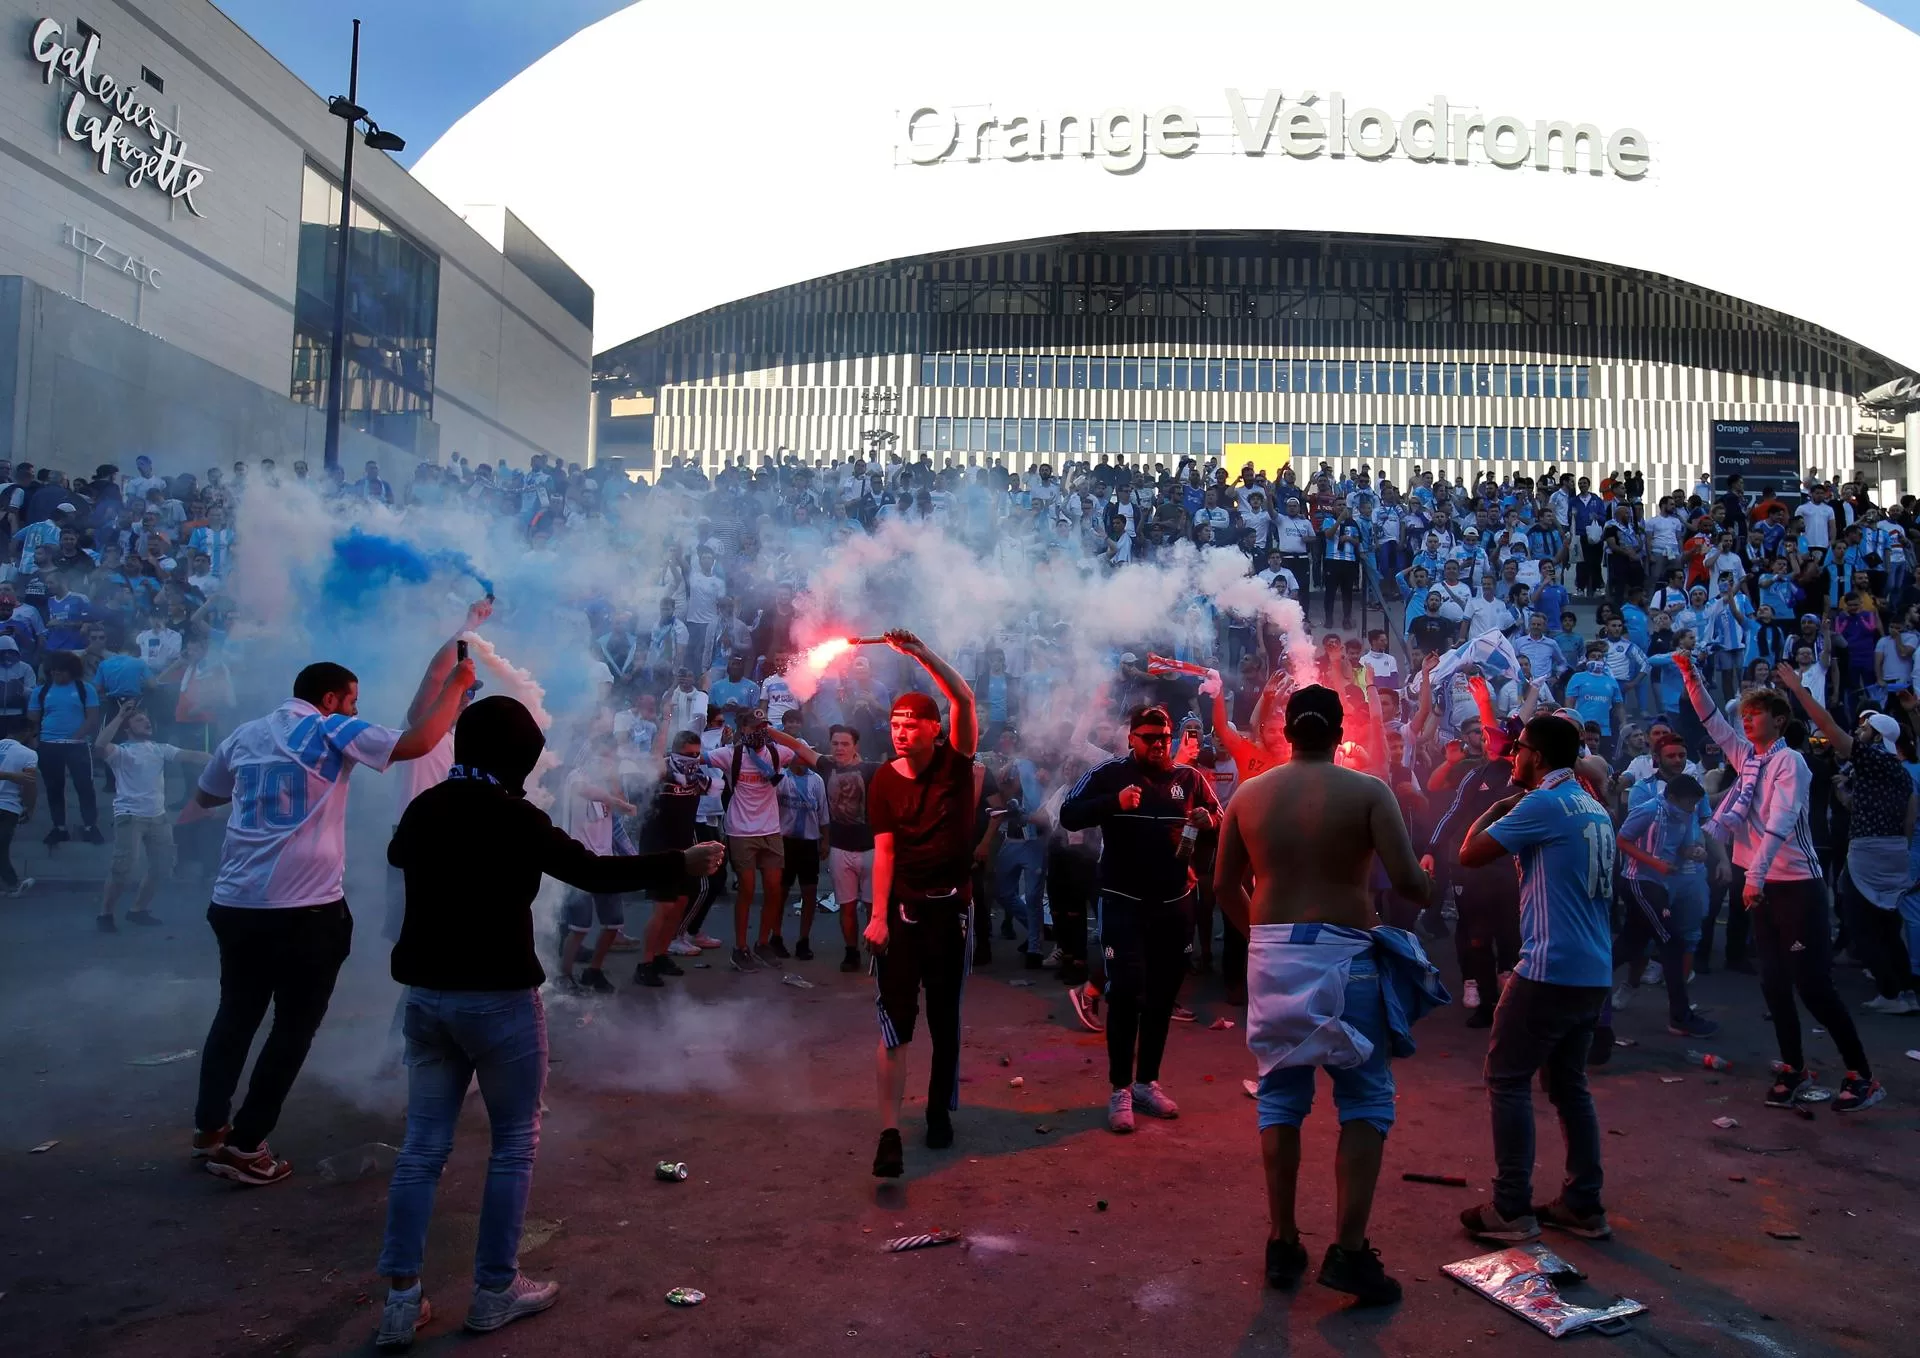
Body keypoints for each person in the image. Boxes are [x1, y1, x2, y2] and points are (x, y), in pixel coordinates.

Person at [375, 696, 725, 1348]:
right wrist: (682, 862)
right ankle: (494, 1289)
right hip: (498, 999)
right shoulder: (515, 818)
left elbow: (398, 855)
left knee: (422, 1150)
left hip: (427, 999)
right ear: (518, 756)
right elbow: (590, 870)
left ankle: (400, 1300)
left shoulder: (427, 809)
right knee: (512, 1142)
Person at [188, 654, 475, 1187]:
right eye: (353, 700)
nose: (356, 708)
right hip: (304, 911)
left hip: (234, 903)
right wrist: (458, 685)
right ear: (331, 700)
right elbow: (417, 742)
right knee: (292, 1030)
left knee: (235, 1017)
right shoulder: (330, 728)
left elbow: (208, 795)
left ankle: (210, 1129)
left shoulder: (245, 736)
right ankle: (246, 1146)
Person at [1214, 685, 1434, 1306]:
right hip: (1345, 955)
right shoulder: (1368, 792)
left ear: (1286, 733)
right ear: (1340, 734)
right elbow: (1411, 886)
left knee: (1280, 1099)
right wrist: (1430, 875)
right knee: (1364, 1097)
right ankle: (1350, 1252)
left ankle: (1283, 1244)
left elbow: (1223, 885)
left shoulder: (1250, 794)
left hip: (1273, 954)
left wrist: (1262, 940)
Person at [1673, 651, 1884, 1111]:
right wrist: (1690, 674)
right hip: (1759, 883)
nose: (1745, 722)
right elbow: (1710, 719)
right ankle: (1794, 1067)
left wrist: (1758, 875)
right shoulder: (1748, 758)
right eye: (1744, 715)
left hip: (1795, 884)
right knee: (1772, 982)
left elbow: (1784, 818)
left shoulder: (1791, 763)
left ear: (1779, 719)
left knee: (1813, 985)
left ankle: (1862, 1075)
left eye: (1755, 715)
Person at [1456, 714, 1617, 1244]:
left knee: (1507, 1078)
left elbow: (1470, 854)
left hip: (1549, 969)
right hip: (1593, 970)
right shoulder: (1593, 805)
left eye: (1519, 748)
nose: (1512, 756)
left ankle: (1511, 1208)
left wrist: (1499, 807)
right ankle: (1583, 1204)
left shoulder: (1542, 804)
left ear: (1539, 757)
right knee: (1570, 1085)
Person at [1060, 704, 1221, 1135]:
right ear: (1130, 738)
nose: (1157, 744)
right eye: (1148, 736)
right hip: (1122, 900)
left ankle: (1148, 1082)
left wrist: (1209, 820)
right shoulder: (1109, 774)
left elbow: (1219, 815)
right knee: (1126, 992)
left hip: (1174, 903)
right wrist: (1113, 802)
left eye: (1162, 737)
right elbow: (1068, 814)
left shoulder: (1189, 778)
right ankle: (1120, 1088)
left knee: (1162, 997)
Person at [864, 630, 978, 1176]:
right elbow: (883, 851)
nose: (901, 732)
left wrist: (921, 654)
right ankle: (889, 1132)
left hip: (951, 914)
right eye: (894, 724)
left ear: (935, 729)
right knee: (896, 1023)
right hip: (905, 915)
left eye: (912, 724)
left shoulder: (956, 765)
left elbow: (964, 698)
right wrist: (879, 914)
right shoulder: (883, 779)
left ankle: (937, 1110)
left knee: (945, 1019)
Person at [94, 698, 210, 930]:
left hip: (158, 817)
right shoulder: (121, 752)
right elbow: (99, 747)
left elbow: (195, 756)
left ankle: (138, 909)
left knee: (162, 867)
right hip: (129, 816)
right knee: (122, 869)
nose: (146, 721)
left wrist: (227, 759)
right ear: (127, 729)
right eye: (139, 720)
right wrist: (119, 716)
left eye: (147, 719)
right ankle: (105, 914)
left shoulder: (160, 749)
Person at [554, 735, 640, 993]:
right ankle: (565, 975)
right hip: (578, 861)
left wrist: (614, 785)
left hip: (605, 861)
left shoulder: (609, 782)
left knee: (613, 924)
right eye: (604, 756)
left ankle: (594, 971)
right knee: (579, 928)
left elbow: (623, 814)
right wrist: (612, 799)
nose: (607, 762)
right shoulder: (577, 777)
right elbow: (586, 791)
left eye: (610, 757)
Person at [632, 729, 713, 987]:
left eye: (697, 754)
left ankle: (661, 955)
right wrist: (666, 718)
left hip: (684, 847)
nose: (693, 759)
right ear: (675, 752)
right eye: (688, 754)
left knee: (680, 902)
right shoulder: (661, 772)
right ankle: (644, 964)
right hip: (659, 848)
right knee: (663, 906)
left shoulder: (697, 778)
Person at [27, 650, 102, 845]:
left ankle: (90, 826)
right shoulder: (41, 691)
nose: (56, 675)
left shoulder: (85, 689)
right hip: (49, 745)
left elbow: (92, 719)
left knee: (85, 787)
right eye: (53, 672)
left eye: (60, 672)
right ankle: (59, 827)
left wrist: (75, 737)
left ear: (71, 671)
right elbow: (33, 719)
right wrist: (36, 738)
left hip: (77, 746)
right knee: (54, 788)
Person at [822, 725, 880, 973]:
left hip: (871, 849)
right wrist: (766, 730)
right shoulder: (826, 766)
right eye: (835, 743)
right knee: (846, 905)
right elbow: (797, 748)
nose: (839, 748)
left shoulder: (871, 769)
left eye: (845, 744)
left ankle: (876, 953)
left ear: (856, 746)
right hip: (840, 848)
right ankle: (851, 953)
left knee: (873, 907)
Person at [0, 722, 37, 897]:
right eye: (35, 736)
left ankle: (10, 884)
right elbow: (29, 783)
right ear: (27, 733)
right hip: (8, 806)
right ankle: (13, 884)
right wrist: (29, 807)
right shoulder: (28, 754)